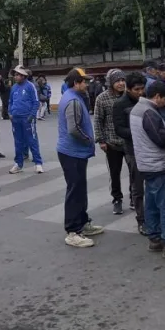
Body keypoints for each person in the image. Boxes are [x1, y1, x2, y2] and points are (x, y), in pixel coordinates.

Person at [131, 80, 165, 259]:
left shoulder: (137, 109)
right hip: (157, 165)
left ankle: (154, 239)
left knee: (151, 203)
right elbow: (161, 139)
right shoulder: (148, 112)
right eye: (164, 99)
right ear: (157, 96)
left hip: (144, 164)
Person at [57, 67, 103, 248]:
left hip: (74, 152)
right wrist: (88, 140)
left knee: (80, 188)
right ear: (76, 82)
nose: (87, 84)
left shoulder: (73, 97)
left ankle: (83, 222)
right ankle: (72, 230)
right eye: (84, 81)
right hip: (71, 152)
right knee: (75, 191)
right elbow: (74, 129)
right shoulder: (73, 101)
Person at [113, 72, 147, 233]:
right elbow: (119, 129)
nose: (140, 92)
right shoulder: (120, 104)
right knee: (138, 186)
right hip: (133, 150)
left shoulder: (146, 99)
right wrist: (138, 132)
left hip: (151, 148)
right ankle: (142, 220)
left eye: (142, 89)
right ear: (129, 88)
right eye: (137, 89)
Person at [93, 69, 129, 215]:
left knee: (134, 173)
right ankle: (117, 199)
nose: (121, 83)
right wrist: (101, 140)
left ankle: (135, 197)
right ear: (110, 83)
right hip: (111, 143)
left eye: (122, 80)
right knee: (115, 174)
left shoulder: (129, 96)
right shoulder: (102, 98)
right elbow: (97, 120)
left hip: (129, 142)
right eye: (117, 81)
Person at [8, 65, 43, 174]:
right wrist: (10, 113)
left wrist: (31, 116)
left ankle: (38, 163)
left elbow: (36, 102)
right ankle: (18, 164)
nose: (15, 76)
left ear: (23, 76)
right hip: (16, 119)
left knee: (32, 140)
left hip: (27, 118)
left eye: (17, 75)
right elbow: (10, 101)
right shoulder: (14, 87)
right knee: (18, 142)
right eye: (15, 74)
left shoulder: (30, 86)